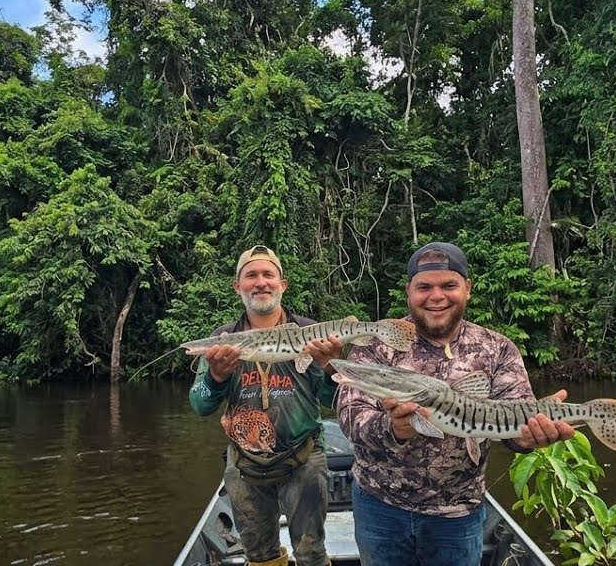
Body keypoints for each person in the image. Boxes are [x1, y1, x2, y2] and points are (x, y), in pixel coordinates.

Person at [336, 241, 576, 566]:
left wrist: (525, 438)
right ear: (409, 290)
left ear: (467, 289)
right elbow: (350, 416)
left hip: (458, 514)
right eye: (424, 287)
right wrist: (392, 428)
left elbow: (514, 418)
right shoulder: (379, 343)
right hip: (381, 507)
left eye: (449, 285)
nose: (436, 296)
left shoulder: (497, 348)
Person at [189, 245, 343, 566]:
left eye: (268, 274)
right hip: (245, 465)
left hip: (304, 460)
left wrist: (331, 366)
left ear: (282, 284)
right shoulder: (223, 338)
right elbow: (200, 404)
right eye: (251, 276)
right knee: (259, 557)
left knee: (312, 554)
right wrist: (216, 377)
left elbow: (333, 400)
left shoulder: (308, 333)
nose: (261, 282)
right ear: (238, 287)